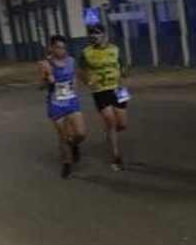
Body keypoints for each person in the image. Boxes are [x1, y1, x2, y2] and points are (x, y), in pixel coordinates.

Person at [78, 23, 129, 169]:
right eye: (91, 33)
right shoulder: (86, 52)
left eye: (97, 33)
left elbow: (124, 66)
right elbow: (81, 72)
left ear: (104, 35)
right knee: (111, 122)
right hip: (100, 91)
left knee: (123, 124)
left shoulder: (115, 49)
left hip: (119, 90)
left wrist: (124, 73)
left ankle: (110, 132)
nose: (93, 35)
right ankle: (116, 157)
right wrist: (88, 82)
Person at [38, 35, 85, 179]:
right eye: (58, 47)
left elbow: (74, 77)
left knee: (80, 134)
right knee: (63, 136)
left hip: (71, 100)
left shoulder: (71, 60)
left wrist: (74, 83)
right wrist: (47, 80)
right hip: (56, 103)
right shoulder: (44, 65)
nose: (61, 51)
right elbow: (40, 86)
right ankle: (66, 164)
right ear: (51, 48)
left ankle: (74, 145)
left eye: (64, 48)